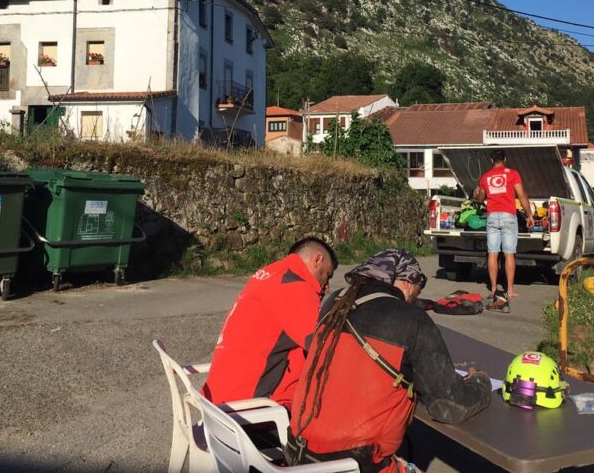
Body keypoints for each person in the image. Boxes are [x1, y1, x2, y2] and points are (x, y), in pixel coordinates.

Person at [285, 249, 491, 473]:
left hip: (299, 454)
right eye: (417, 288)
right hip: (356, 464)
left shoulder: (336, 302)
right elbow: (450, 407)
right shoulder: (411, 320)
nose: (414, 297)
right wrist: (480, 383)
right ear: (407, 282)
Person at [201, 237, 337, 411]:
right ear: (318, 260)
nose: (326, 287)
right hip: (248, 407)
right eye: (327, 275)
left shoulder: (270, 273)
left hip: (217, 396)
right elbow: (324, 345)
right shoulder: (294, 285)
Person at [474, 149, 534, 306]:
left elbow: (480, 198)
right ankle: (510, 289)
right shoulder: (513, 173)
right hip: (509, 216)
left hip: (492, 216)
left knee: (492, 253)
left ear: (491, 160)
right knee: (509, 254)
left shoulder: (485, 177)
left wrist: (478, 193)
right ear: (505, 159)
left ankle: (493, 288)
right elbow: (522, 196)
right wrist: (529, 215)